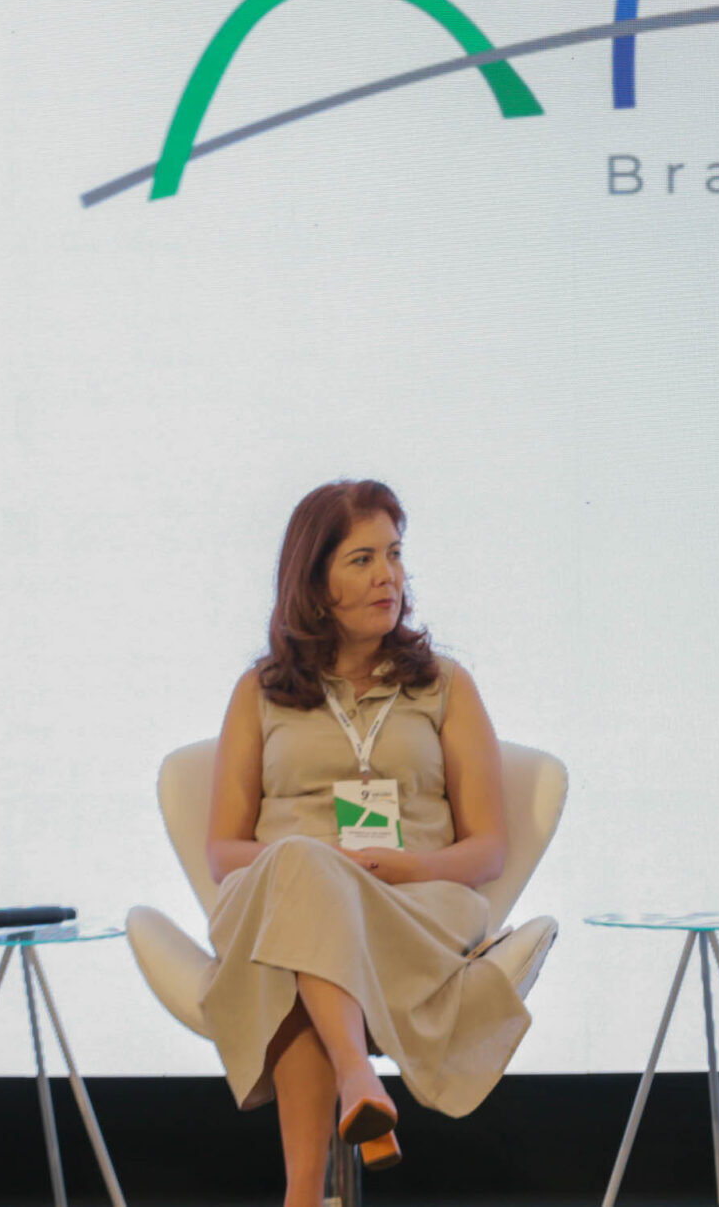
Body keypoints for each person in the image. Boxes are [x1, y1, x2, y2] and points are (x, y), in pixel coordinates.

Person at [202, 480, 527, 1205]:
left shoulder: (445, 686)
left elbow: (489, 849)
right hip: (283, 897)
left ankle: (304, 1190)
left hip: (412, 904)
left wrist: (411, 867)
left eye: (395, 555)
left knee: (297, 938)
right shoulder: (259, 691)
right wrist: (317, 866)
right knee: (301, 893)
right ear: (316, 584)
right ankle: (357, 1077)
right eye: (362, 559)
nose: (389, 576)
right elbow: (224, 851)